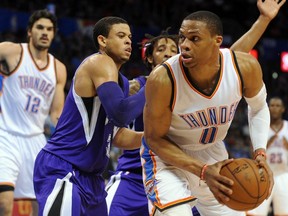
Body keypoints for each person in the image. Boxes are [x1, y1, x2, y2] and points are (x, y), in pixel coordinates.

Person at [105, 0, 285, 215]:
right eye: (182, 37)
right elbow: (154, 139)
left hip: (213, 152)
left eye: (194, 38)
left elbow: (257, 108)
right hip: (167, 158)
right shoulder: (163, 79)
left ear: (217, 42)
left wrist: (260, 154)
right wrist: (203, 171)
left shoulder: (243, 67)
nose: (184, 45)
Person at [33, 16, 146, 216]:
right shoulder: (98, 62)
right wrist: (155, 85)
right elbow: (121, 113)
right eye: (121, 36)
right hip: (64, 169)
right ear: (102, 41)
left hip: (92, 180)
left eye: (129, 36)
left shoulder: (120, 83)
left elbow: (117, 136)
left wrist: (154, 137)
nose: (129, 40)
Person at [0, 9, 67, 216]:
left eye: (49, 29)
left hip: (36, 139)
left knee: (41, 204)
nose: (44, 32)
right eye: (40, 28)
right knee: (4, 202)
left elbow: (57, 113)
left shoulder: (58, 69)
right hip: (6, 134)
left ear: (54, 34)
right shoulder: (12, 52)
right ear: (30, 31)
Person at [247, 96, 288, 216]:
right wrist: (268, 143)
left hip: (284, 174)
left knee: (284, 213)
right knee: (254, 213)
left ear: (283, 109)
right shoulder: (261, 127)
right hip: (263, 174)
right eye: (272, 105)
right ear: (268, 108)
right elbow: (251, 153)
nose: (274, 108)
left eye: (278, 106)